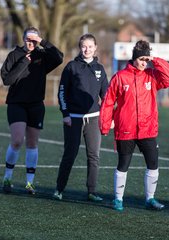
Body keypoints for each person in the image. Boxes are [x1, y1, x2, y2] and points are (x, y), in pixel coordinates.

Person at [99, 40, 169, 211]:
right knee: (123, 164)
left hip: (147, 129)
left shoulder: (152, 75)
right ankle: (118, 199)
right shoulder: (120, 77)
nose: (143, 63)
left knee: (153, 163)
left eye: (146, 59)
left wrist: (154, 59)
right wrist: (105, 124)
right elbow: (108, 102)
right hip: (125, 130)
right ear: (134, 58)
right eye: (141, 59)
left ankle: (150, 199)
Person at [0, 27, 63, 194]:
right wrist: (24, 62)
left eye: (34, 39)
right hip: (16, 103)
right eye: (28, 38)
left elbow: (59, 57)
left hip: (36, 105)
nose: (31, 42)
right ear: (23, 39)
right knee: (17, 140)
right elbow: (7, 80)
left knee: (32, 143)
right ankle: (7, 177)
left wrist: (43, 42)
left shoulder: (42, 55)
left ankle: (29, 182)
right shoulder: (14, 55)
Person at [53, 33, 108, 202]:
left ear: (95, 48)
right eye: (84, 46)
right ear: (80, 47)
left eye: (90, 46)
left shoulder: (100, 69)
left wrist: (107, 117)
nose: (87, 49)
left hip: (93, 118)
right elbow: (62, 92)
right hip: (73, 119)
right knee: (70, 154)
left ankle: (91, 191)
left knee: (94, 156)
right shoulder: (71, 67)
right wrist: (66, 114)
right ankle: (59, 189)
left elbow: (106, 96)